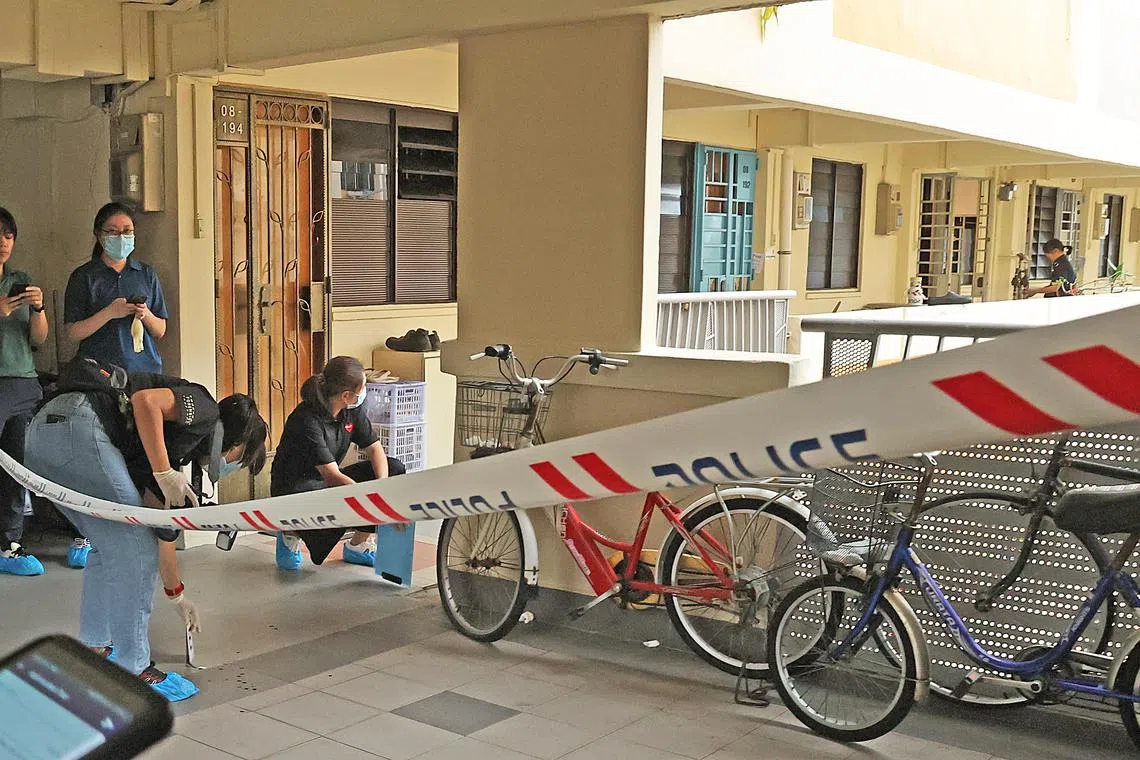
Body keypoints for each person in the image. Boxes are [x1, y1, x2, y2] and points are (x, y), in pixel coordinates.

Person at [23, 366, 267, 702]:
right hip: (79, 426)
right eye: (241, 458)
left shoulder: (165, 446)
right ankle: (134, 668)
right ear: (238, 441)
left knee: (108, 546)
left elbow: (156, 528)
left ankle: (96, 647)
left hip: (41, 437)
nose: (232, 466)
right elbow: (145, 401)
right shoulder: (206, 410)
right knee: (129, 550)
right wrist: (164, 471)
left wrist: (176, 593)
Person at [63, 203, 170, 568]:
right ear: (98, 235)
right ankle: (86, 532)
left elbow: (161, 330)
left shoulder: (146, 274)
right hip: (99, 376)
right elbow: (73, 332)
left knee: (140, 451)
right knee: (98, 452)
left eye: (127, 231)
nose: (121, 237)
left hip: (144, 374)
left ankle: (138, 526)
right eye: (113, 231)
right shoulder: (84, 277)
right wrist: (109, 312)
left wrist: (144, 314)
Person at [270, 356, 405, 570]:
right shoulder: (306, 420)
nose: (364, 394)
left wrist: (382, 486)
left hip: (327, 480)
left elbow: (374, 447)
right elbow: (332, 476)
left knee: (395, 468)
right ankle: (289, 533)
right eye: (363, 389)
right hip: (297, 488)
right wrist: (371, 500)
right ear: (346, 395)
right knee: (340, 503)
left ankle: (358, 546)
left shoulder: (350, 410)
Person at [0, 208, 48, 576]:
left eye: (9, 235)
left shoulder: (21, 279)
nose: (3, 242)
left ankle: (10, 544)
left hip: (22, 382)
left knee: (18, 467)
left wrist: (39, 308)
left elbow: (39, 340)